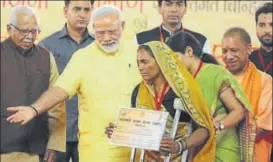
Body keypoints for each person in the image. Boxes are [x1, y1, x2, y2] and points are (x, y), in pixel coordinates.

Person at [5, 5, 141, 162]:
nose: (106, 38)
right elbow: (60, 89)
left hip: (137, 149)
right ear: (93, 29)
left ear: (122, 26)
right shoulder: (82, 57)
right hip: (96, 151)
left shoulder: (139, 54)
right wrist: (34, 109)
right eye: (100, 33)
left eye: (111, 32)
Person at [106, 41, 216, 162]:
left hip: (181, 158)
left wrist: (179, 146)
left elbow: (205, 129)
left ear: (160, 61)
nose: (140, 67)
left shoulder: (183, 89)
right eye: (138, 63)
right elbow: (138, 128)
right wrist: (120, 131)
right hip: (149, 159)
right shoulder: (139, 92)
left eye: (145, 62)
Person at [166, 32, 256, 162]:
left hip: (224, 149)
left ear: (189, 51)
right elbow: (202, 125)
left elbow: (238, 111)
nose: (173, 65)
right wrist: (180, 146)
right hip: (203, 146)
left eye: (175, 58)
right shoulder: (190, 81)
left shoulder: (213, 74)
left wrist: (219, 125)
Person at [1, 5, 66, 162]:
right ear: (9, 28)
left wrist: (54, 143)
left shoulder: (45, 56)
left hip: (37, 148)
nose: (30, 36)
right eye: (24, 31)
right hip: (4, 148)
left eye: (34, 31)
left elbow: (56, 104)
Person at [38, 1, 95, 162]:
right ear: (65, 11)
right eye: (77, 9)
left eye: (87, 10)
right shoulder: (47, 45)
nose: (82, 14)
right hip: (56, 134)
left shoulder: (99, 45)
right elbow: (40, 92)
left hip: (89, 133)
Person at [222, 27, 272, 162]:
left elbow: (263, 126)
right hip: (220, 153)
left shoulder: (265, 81)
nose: (229, 56)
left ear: (249, 49)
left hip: (254, 154)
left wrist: (230, 144)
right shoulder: (217, 79)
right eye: (224, 51)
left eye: (234, 50)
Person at [136, 0, 211, 54]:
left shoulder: (201, 41)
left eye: (179, 4)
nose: (174, 10)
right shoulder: (140, 40)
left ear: (185, 9)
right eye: (168, 4)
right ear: (159, 8)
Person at [249, 2, 272, 77]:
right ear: (256, 27)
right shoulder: (248, 60)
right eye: (262, 25)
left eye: (272, 25)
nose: (267, 30)